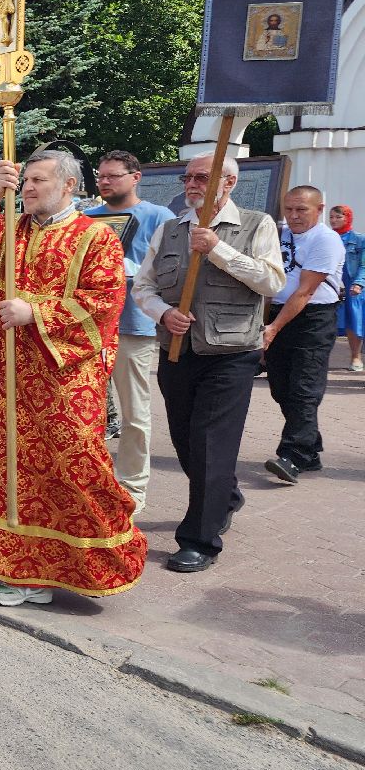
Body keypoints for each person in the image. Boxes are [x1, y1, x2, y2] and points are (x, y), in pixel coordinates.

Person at [0, 151, 145, 605]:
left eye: (39, 180)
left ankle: (82, 564)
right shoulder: (13, 231)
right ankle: (22, 570)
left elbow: (104, 303)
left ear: (69, 186)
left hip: (65, 379)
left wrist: (34, 312)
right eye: (25, 182)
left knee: (72, 465)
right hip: (9, 379)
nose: (29, 188)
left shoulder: (94, 235)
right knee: (14, 470)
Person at [134, 154, 284, 573]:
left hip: (232, 353)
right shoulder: (169, 229)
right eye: (189, 176)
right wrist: (163, 312)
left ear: (228, 182)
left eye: (203, 176)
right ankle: (225, 496)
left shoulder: (257, 224)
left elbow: (272, 281)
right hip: (178, 351)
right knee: (185, 440)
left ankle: (200, 539)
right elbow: (143, 287)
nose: (192, 183)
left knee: (210, 443)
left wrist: (217, 249)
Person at [83, 151, 173, 515]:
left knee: (135, 413)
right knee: (86, 412)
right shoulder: (86, 218)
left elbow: (169, 271)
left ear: (135, 177)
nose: (105, 182)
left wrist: (128, 270)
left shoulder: (158, 217)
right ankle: (90, 484)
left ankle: (132, 489)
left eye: (113, 176)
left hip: (133, 325)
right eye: (101, 177)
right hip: (87, 328)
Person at [262, 186, 345, 484]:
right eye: (289, 209)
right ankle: (310, 450)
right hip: (278, 313)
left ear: (319, 209)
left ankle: (292, 456)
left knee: (304, 390)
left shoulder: (326, 239)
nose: (294, 216)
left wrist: (273, 328)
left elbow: (305, 291)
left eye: (302, 210)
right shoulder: (278, 233)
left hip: (312, 318)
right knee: (281, 388)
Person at [330, 205, 365, 371]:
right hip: (329, 283)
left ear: (348, 218)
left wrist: (358, 283)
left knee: (353, 320)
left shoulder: (359, 239)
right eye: (331, 217)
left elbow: (364, 265)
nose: (334, 221)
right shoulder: (326, 237)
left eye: (338, 217)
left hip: (352, 285)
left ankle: (355, 357)